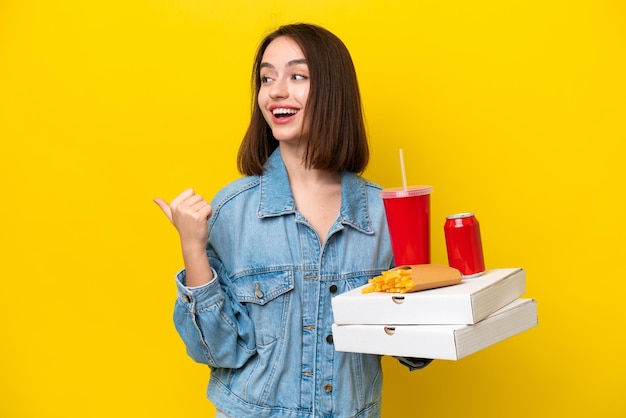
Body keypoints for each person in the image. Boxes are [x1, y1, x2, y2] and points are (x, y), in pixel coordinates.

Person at [154, 23, 429, 418]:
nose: (276, 91)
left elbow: (413, 354)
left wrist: (441, 299)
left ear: (334, 92)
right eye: (267, 78)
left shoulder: (383, 213)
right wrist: (192, 248)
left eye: (297, 76)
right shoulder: (232, 210)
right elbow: (216, 350)